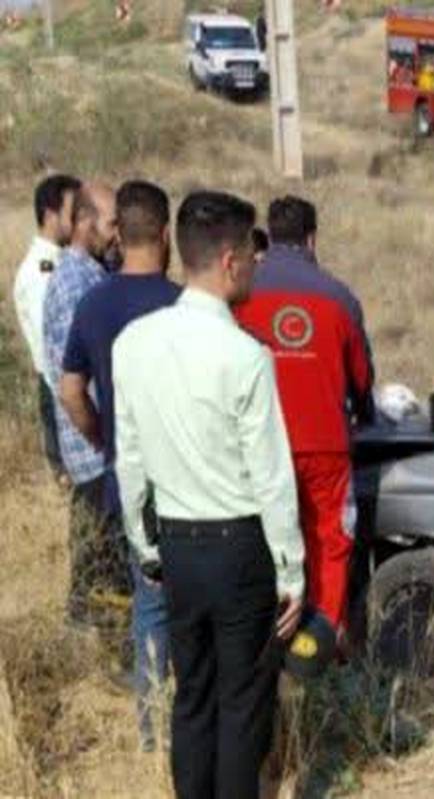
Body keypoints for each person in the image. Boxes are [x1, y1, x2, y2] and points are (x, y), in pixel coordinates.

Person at [114, 190, 304, 798]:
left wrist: (146, 545)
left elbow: (130, 460)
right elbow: (271, 476)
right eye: (250, 255)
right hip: (239, 548)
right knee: (242, 705)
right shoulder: (246, 356)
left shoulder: (133, 344)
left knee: (192, 696)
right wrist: (291, 570)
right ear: (228, 261)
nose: (253, 267)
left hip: (176, 543)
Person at [60, 180, 181, 752]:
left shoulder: (94, 304)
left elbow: (70, 390)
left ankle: (152, 733)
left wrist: (103, 438)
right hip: (187, 483)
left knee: (149, 606)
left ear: (119, 234)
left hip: (128, 482)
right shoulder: (183, 304)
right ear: (165, 234)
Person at [235, 195, 373, 636]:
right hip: (325, 447)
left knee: (263, 538)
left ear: (270, 237)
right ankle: (323, 641)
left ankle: (268, 637)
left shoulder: (241, 292)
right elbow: (362, 379)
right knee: (330, 540)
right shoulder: (340, 297)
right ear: (312, 239)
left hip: (260, 443)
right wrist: (364, 413)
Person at [42, 182, 125, 629]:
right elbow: (75, 385)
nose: (117, 234)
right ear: (86, 223)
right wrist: (102, 439)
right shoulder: (75, 283)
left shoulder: (93, 274)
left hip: (96, 452)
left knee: (99, 566)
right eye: (112, 224)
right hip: (93, 454)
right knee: (101, 575)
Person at [13, 173, 81, 479]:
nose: (80, 219)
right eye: (73, 211)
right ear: (51, 215)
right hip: (62, 391)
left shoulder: (63, 262)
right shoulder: (41, 273)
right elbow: (51, 345)